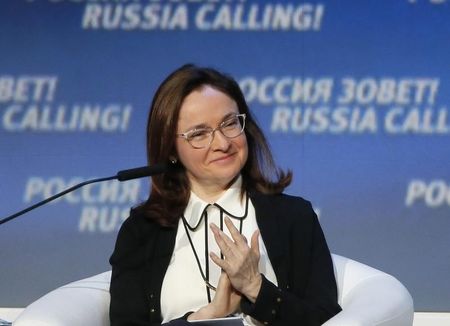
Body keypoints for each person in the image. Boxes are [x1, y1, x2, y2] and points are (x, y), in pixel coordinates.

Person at [109, 64, 341, 326]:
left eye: (230, 123)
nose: (222, 143)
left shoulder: (294, 218)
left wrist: (257, 289)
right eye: (199, 133)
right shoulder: (142, 232)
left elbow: (328, 319)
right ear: (171, 150)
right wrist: (203, 318)